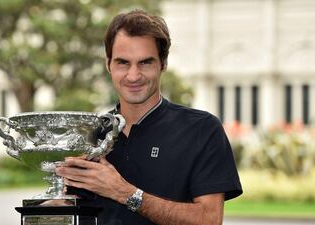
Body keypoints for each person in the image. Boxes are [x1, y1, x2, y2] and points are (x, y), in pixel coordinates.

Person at [56, 9, 242, 225]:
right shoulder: (86, 134)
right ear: (109, 64)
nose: (133, 75)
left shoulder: (202, 129)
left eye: (145, 62)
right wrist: (51, 210)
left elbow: (209, 220)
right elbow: (72, 209)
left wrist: (125, 193)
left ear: (163, 63)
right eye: (123, 62)